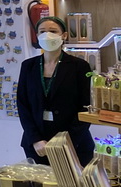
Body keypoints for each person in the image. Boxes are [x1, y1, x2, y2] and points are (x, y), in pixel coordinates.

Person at [16, 16, 93, 165]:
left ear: (63, 36)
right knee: (41, 186)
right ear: (37, 36)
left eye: (53, 31)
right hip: (37, 144)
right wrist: (36, 139)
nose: (47, 35)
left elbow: (86, 107)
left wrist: (66, 142)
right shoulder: (28, 66)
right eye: (42, 31)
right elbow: (22, 104)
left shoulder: (79, 66)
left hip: (73, 144)